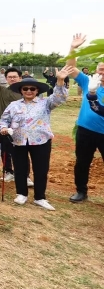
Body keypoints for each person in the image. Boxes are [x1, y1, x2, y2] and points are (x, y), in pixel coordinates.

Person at [0, 66, 72, 210]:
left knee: (41, 169)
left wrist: (60, 81)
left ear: (37, 90)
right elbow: (4, 120)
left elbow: (59, 98)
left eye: (32, 89)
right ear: (21, 90)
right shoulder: (13, 105)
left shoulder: (45, 103)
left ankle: (40, 197)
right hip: (18, 140)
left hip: (41, 141)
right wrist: (4, 128)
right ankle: (21, 193)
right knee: (20, 168)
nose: (29, 91)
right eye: (25, 89)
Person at [62, 35, 104, 203]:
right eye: (100, 69)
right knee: (82, 162)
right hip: (85, 130)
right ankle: (81, 191)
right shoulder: (89, 81)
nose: (101, 73)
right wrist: (73, 48)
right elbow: (71, 68)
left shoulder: (91, 87)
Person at [0, 55, 30, 185]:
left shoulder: (26, 92)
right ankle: (8, 172)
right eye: (10, 77)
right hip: (3, 126)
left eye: (15, 76)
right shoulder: (1, 89)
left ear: (20, 78)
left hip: (22, 126)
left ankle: (25, 175)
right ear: (6, 78)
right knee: (5, 150)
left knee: (22, 151)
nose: (12, 78)